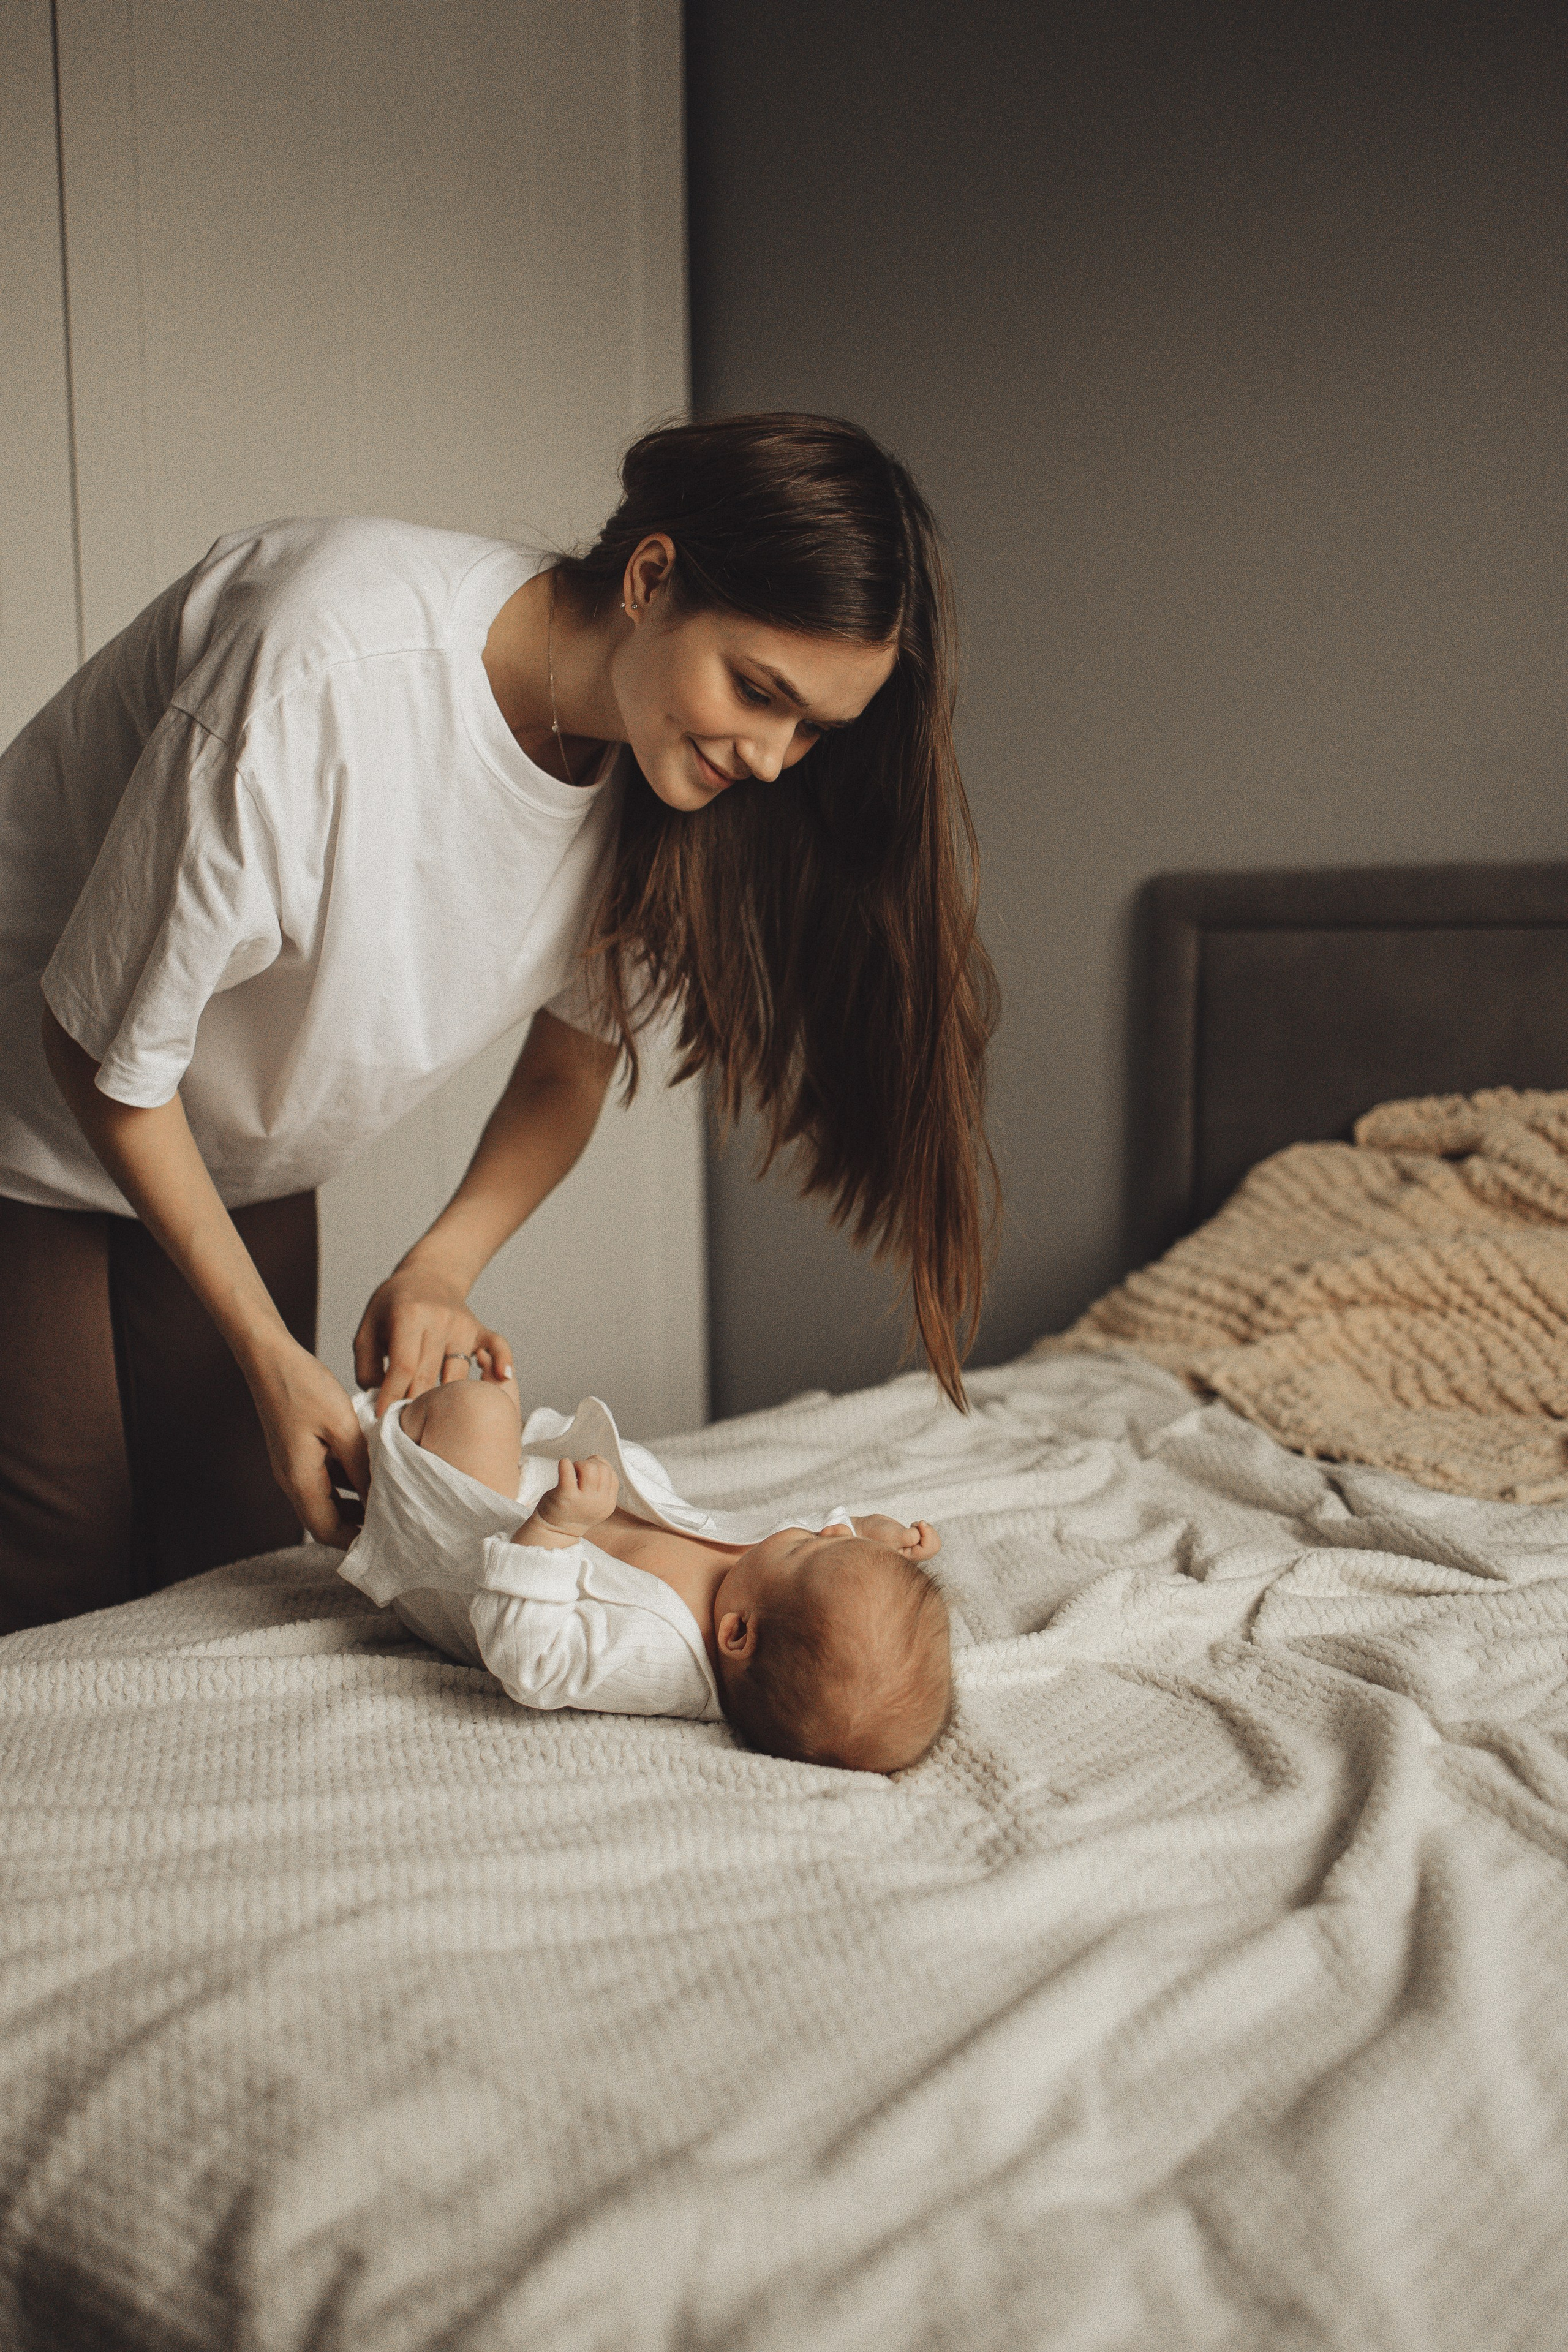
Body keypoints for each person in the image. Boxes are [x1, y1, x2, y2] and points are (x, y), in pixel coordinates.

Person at [0, 412, 999, 1632]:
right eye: (758, 691)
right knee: (61, 1563)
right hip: (33, 1097)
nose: (775, 758)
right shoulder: (319, 667)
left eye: (810, 729)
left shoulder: (655, 778)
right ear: (650, 578)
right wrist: (267, 1355)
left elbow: (563, 1078)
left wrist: (440, 1265)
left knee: (231, 1562)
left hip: (234, 1150)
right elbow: (98, 1049)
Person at [341, 1357, 952, 1773]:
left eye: (807, 1545)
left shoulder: (658, 1655)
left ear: (737, 1634)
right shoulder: (764, 1599)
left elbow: (533, 1661)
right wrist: (870, 1537)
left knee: (476, 1411)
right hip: (531, 1498)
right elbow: (825, 1564)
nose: (811, 1528)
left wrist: (554, 1529)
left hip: (468, 1551)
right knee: (481, 1412)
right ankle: (434, 1442)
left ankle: (374, 1459)